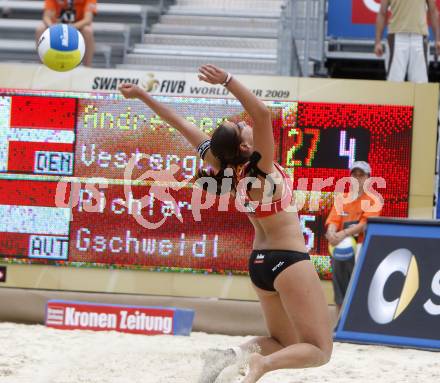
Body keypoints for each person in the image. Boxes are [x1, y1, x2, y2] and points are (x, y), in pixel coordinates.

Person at [119, 64, 333, 383]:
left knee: (282, 342)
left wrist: (142, 96)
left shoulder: (225, 169)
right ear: (245, 148)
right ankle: (262, 365)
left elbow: (179, 123)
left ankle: (229, 357)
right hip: (288, 261)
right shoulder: (259, 169)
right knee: (318, 350)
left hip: (260, 264)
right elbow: (260, 113)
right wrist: (228, 81)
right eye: (239, 126)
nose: (243, 123)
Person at [325, 161, 382, 318]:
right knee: (339, 287)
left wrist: (342, 234)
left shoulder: (374, 200)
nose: (357, 178)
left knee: (357, 287)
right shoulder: (341, 198)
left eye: (361, 175)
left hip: (361, 248)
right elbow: (333, 221)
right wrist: (331, 234)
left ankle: (356, 322)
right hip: (339, 247)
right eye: (354, 175)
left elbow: (364, 225)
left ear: (368, 178)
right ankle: (339, 324)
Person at [374, 0, 440, 83]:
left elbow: (433, 11)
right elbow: (382, 13)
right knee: (394, 83)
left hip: (419, 38)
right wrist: (377, 42)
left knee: (420, 85)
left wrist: (438, 39)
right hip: (396, 37)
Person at [35, 0, 97, 67]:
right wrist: (53, 28)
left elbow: (88, 19)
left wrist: (70, 28)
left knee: (88, 31)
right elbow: (46, 16)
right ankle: (42, 65)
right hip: (56, 26)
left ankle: (87, 67)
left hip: (77, 26)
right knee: (40, 29)